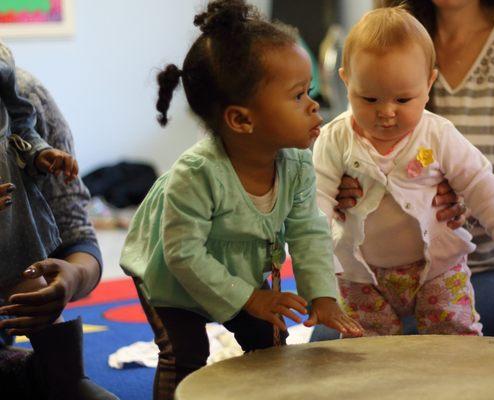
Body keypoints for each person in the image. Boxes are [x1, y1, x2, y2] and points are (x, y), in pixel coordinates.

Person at [119, 1, 363, 398]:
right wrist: (249, 297)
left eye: (311, 91)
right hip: (168, 276)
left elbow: (307, 230)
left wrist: (322, 294)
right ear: (242, 120)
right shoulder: (196, 174)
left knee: (268, 340)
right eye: (299, 95)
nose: (314, 105)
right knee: (185, 355)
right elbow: (182, 254)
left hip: (240, 269)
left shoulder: (297, 161)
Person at [311, 0, 494, 341]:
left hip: (468, 263)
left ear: (427, 84)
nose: (386, 113)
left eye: (402, 100)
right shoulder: (388, 40)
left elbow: (489, 177)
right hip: (364, 273)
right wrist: (319, 256)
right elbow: (315, 199)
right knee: (343, 350)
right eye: (370, 99)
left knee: (443, 339)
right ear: (347, 83)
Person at [0, 46, 117, 399]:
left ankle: (61, 376)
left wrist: (71, 277)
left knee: (30, 283)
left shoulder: (20, 89)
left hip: (10, 252)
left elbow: (75, 228)